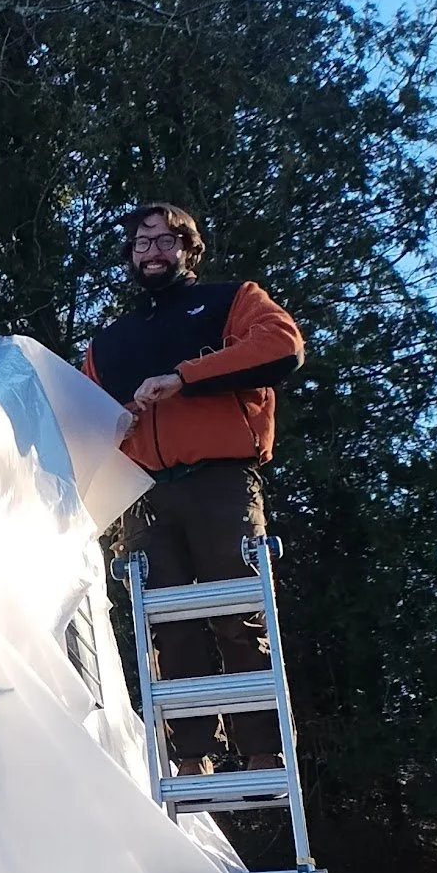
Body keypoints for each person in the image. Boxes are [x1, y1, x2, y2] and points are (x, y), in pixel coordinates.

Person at [84, 202, 305, 777]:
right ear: (130, 255)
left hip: (220, 482)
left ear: (189, 249)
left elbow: (282, 347)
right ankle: (190, 756)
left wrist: (184, 378)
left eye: (165, 241)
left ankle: (263, 751)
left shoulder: (232, 301)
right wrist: (115, 419)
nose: (152, 251)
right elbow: (81, 415)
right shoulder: (110, 343)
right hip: (145, 493)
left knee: (239, 612)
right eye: (141, 242)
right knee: (167, 628)